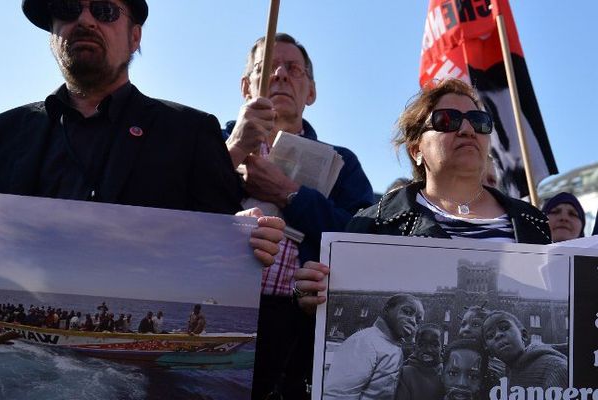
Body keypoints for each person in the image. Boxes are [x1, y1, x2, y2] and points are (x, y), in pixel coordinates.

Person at [0, 0, 284, 272]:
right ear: (52, 33)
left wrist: (244, 236)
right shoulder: (5, 134)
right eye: (67, 8)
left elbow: (221, 243)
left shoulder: (191, 133)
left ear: (134, 37)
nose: (85, 20)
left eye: (105, 10)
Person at [294, 78, 552, 313]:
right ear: (416, 149)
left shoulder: (533, 222)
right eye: (447, 120)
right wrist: (309, 294)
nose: (467, 129)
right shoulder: (372, 224)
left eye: (479, 121)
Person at [223, 33, 374, 398]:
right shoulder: (209, 142)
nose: (280, 75)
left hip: (299, 328)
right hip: (224, 311)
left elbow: (360, 237)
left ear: (310, 91)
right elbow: (180, 208)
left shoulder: (343, 163)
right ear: (247, 86)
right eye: (266, 68)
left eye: (293, 69)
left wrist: (290, 194)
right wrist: (233, 152)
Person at [323, 294, 424, 400]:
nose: (413, 321)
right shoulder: (364, 342)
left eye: (418, 321)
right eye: (407, 312)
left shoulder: (395, 345)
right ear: (387, 310)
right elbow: (338, 396)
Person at [482, 310, 567, 390]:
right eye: (490, 335)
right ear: (490, 351)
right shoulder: (507, 376)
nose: (498, 335)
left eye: (504, 328)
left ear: (524, 335)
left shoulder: (553, 368)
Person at [394, 323, 443, 400]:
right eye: (422, 344)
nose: (428, 349)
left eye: (434, 345)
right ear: (414, 347)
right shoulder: (405, 373)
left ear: (442, 348)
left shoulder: (446, 373)